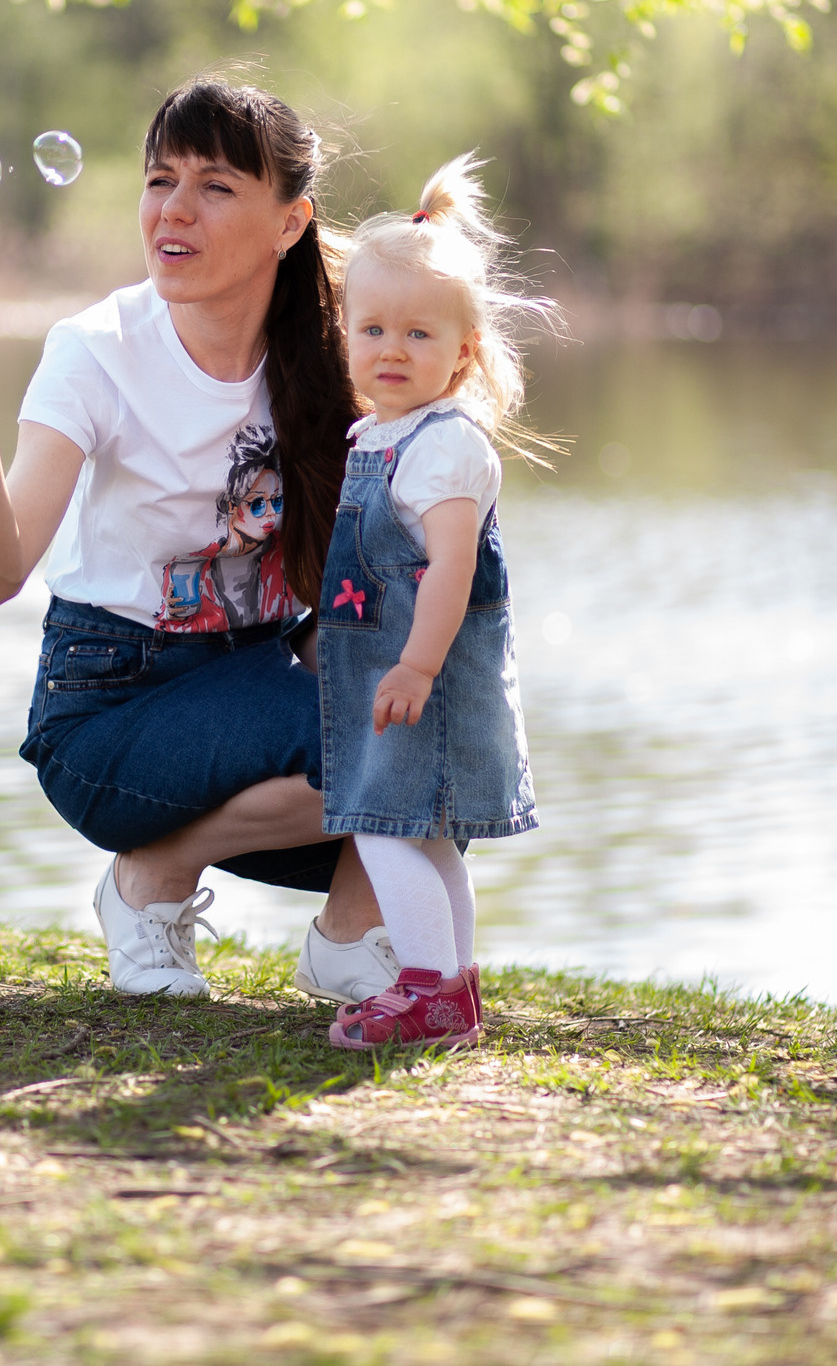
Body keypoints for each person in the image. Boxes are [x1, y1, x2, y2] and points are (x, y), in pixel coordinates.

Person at [0, 77, 400, 1002]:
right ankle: (146, 882)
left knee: (441, 729)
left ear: (290, 221)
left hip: (255, 680)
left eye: (216, 186)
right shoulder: (99, 349)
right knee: (375, 735)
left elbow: (379, 565)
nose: (175, 210)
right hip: (109, 710)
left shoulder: (333, 350)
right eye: (160, 180)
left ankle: (353, 941)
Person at [316, 155, 545, 1050]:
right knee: (430, 835)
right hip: (395, 672)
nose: (391, 349)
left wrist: (415, 664)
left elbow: (451, 567)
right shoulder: (380, 434)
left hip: (428, 677)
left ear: (464, 353)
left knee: (383, 829)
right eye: (372, 328)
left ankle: (424, 989)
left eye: (418, 334)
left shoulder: (446, 447)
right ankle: (452, 989)